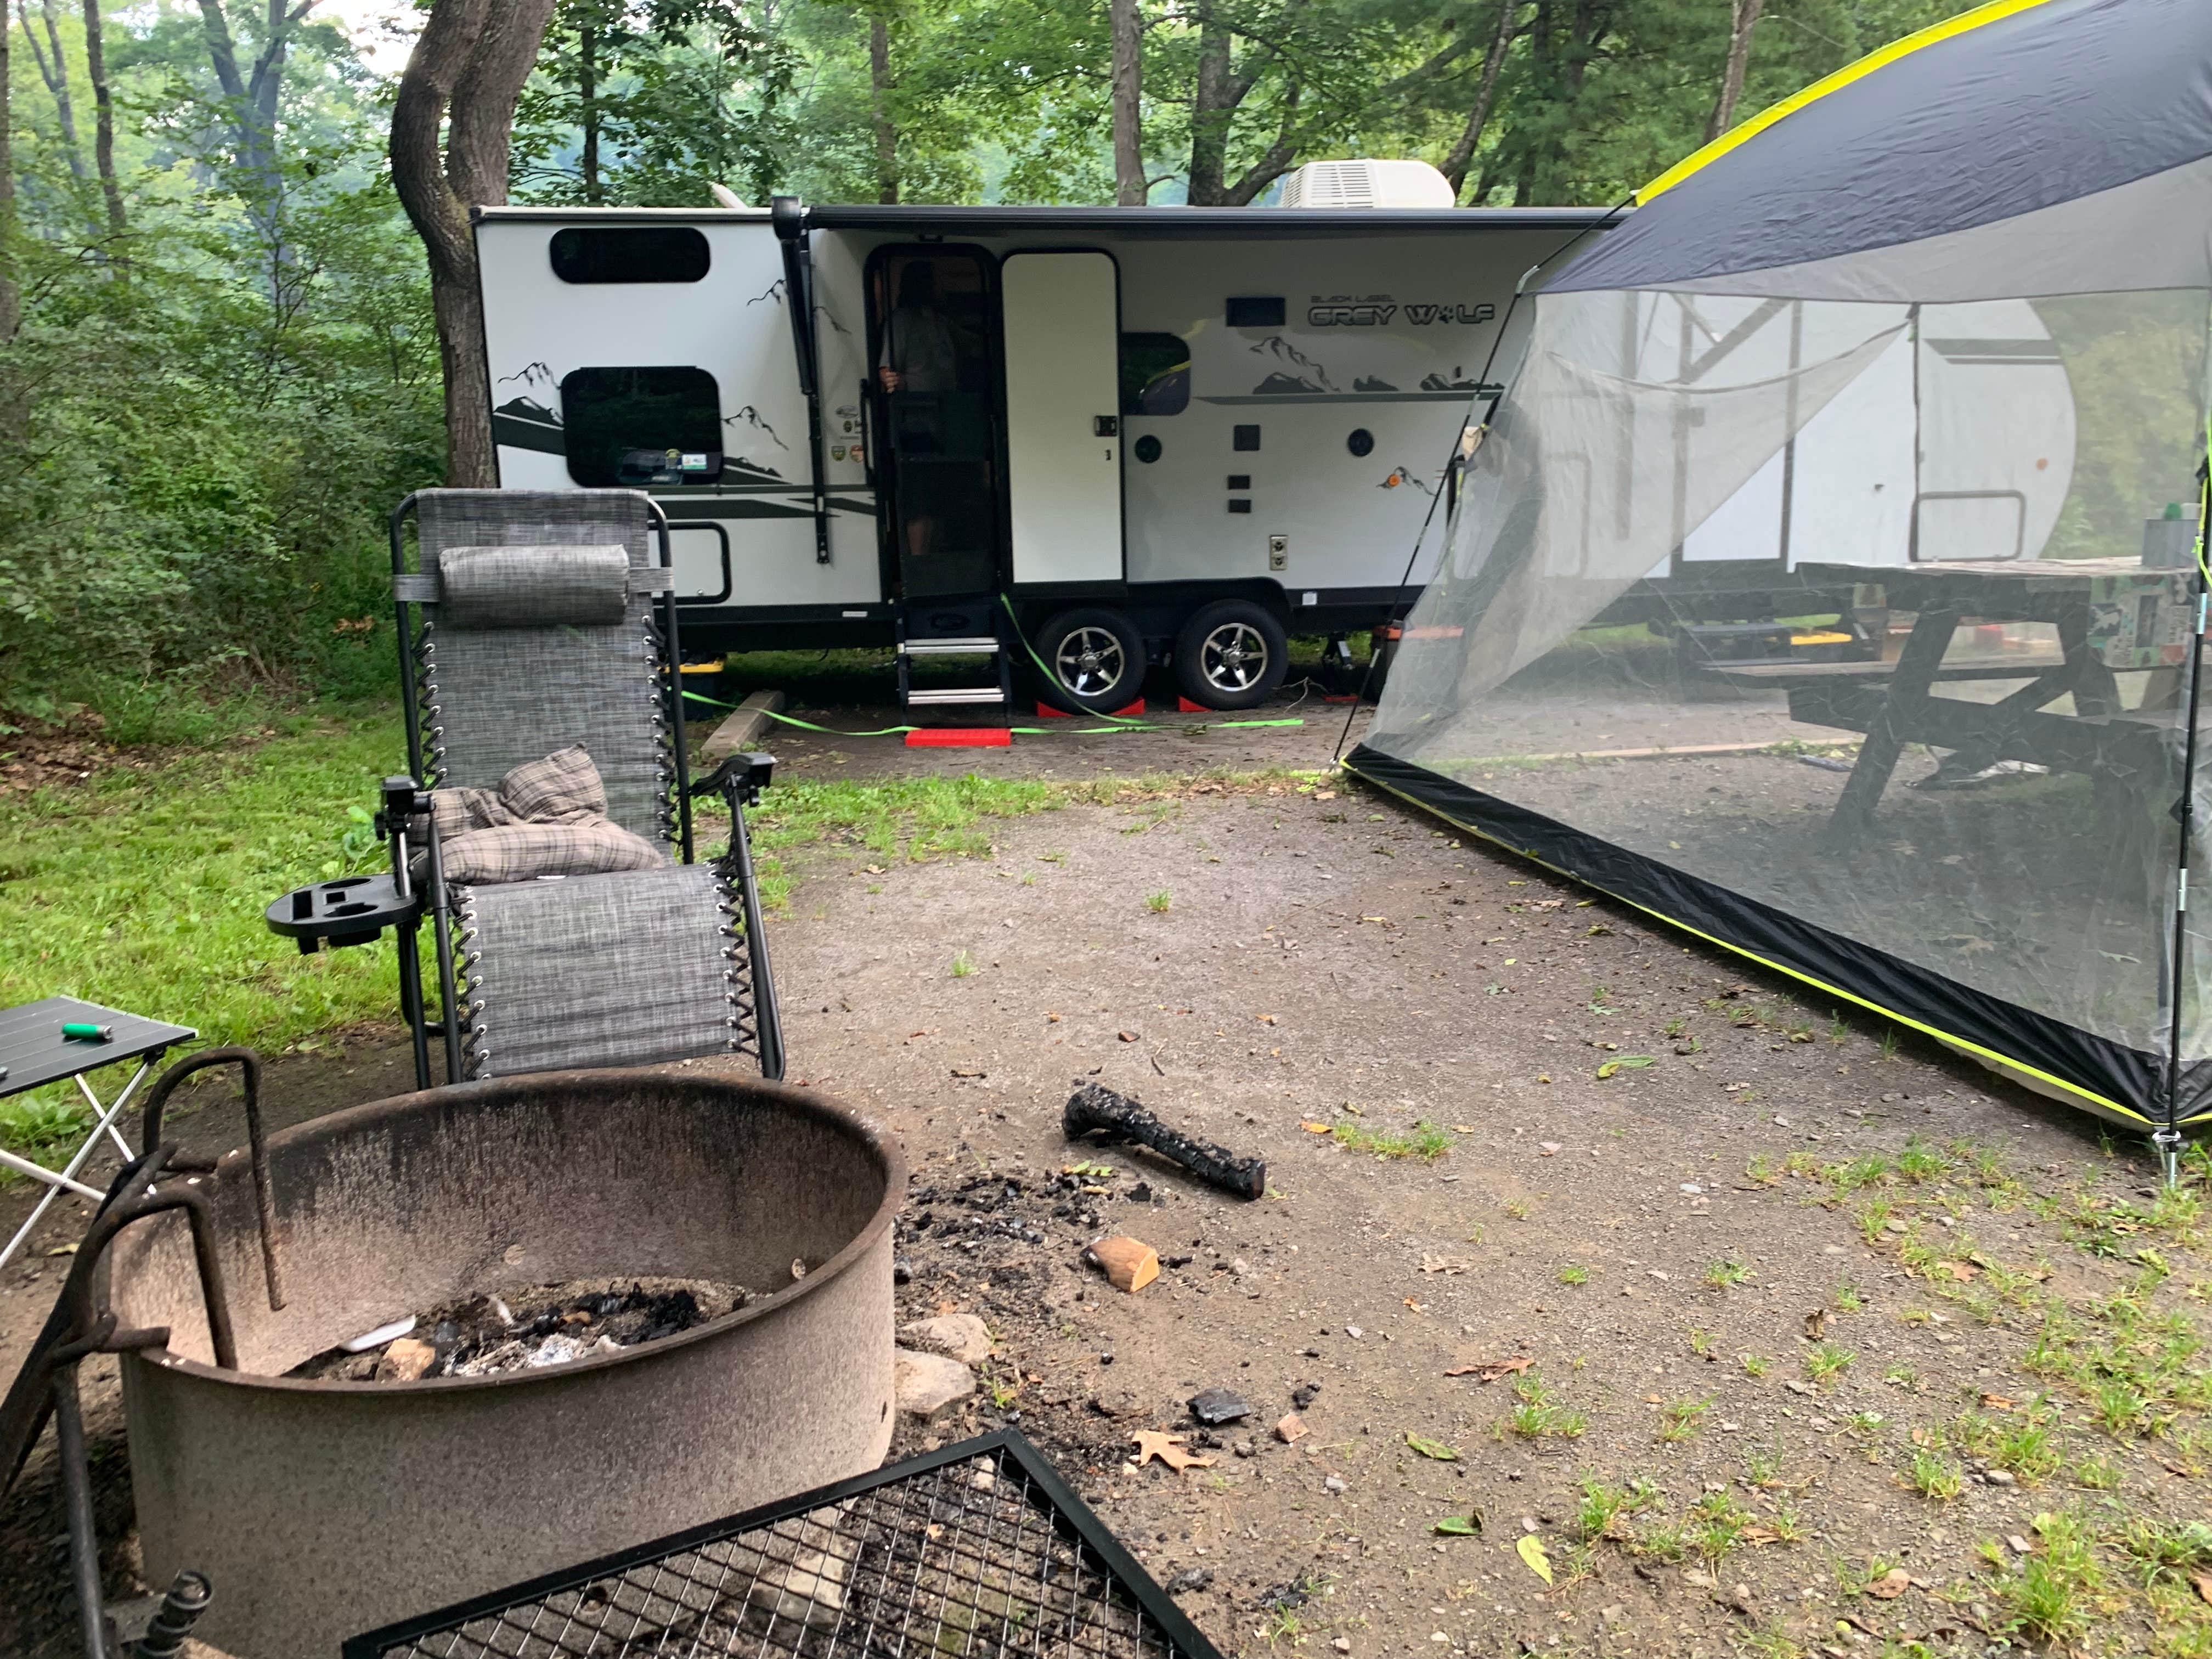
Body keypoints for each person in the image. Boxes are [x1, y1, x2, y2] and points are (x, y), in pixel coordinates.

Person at [877, 262, 961, 394]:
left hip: (948, 400)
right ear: (923, 285)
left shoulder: (939, 320)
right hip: (917, 405)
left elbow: (971, 343)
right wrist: (894, 383)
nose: (943, 289)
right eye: (937, 284)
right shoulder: (901, 321)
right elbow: (886, 371)